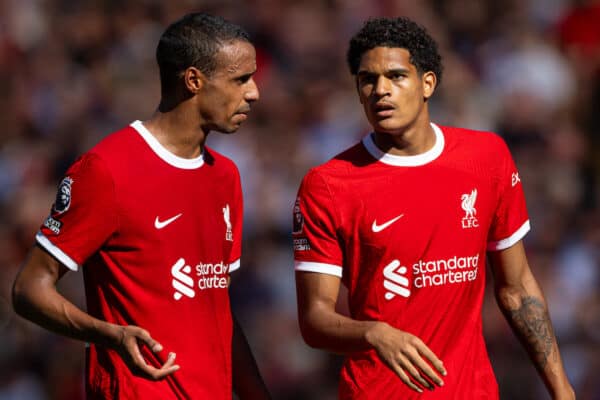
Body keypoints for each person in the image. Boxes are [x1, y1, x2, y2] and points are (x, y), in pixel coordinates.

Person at [293, 17, 576, 399]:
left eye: (396, 76)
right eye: (367, 80)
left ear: (427, 83)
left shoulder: (486, 158)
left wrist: (561, 389)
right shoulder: (328, 185)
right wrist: (373, 332)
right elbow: (314, 320)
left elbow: (517, 289)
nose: (381, 90)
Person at [12, 12, 270, 400]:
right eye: (240, 79)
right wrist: (109, 334)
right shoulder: (107, 170)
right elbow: (29, 288)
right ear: (194, 81)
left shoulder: (226, 176)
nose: (254, 92)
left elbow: (217, 309)